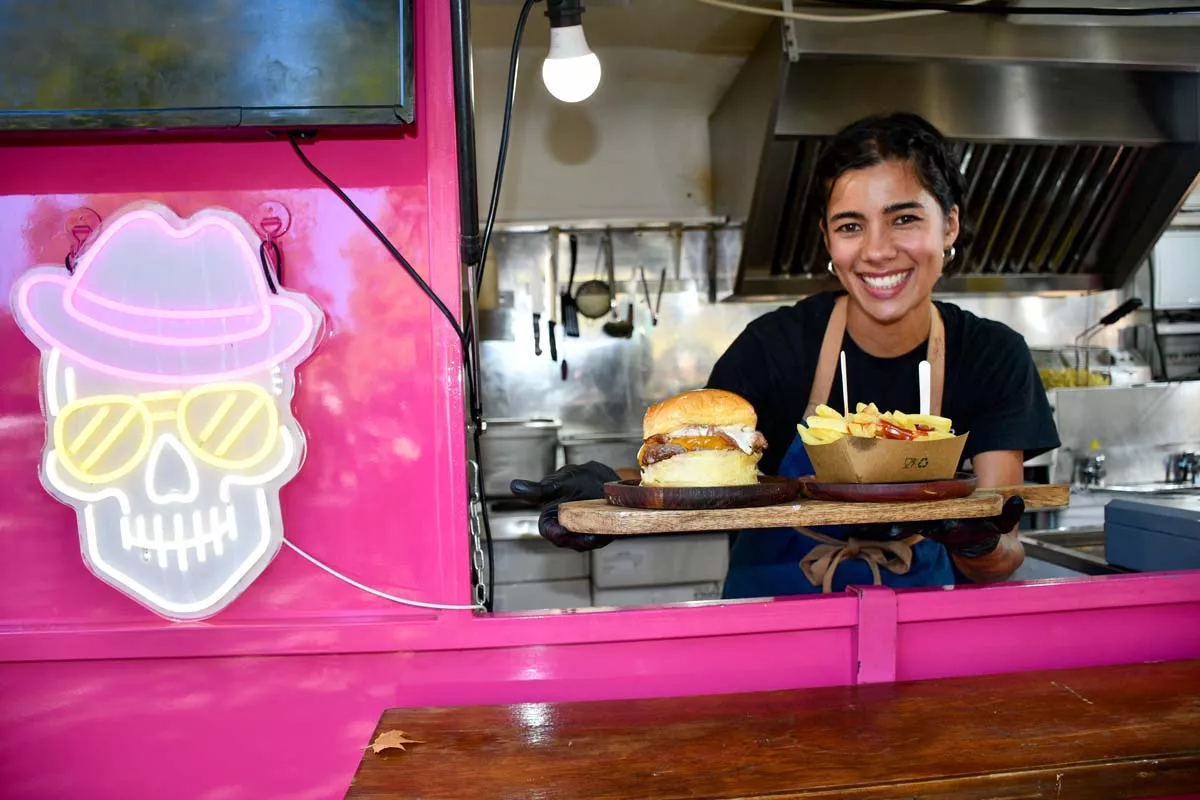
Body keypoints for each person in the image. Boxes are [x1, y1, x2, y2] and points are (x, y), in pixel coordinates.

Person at [510, 112, 1060, 598]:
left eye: (905, 218)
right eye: (851, 226)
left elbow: (1001, 559)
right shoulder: (775, 346)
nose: (876, 250)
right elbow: (703, 473)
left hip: (922, 635)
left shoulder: (991, 355)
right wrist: (612, 496)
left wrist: (975, 536)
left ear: (951, 226)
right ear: (827, 240)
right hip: (775, 627)